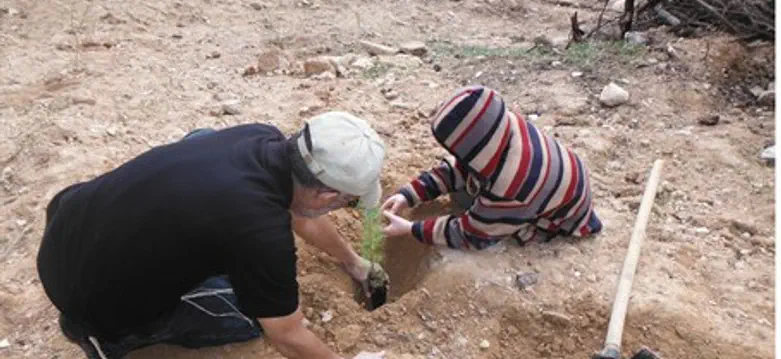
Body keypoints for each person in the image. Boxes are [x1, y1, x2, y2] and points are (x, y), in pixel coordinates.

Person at [36, 111, 387, 359]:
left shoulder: (259, 136)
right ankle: (108, 340)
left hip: (68, 224)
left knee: (202, 140)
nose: (345, 206)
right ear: (326, 195)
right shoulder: (261, 233)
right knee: (252, 319)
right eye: (348, 201)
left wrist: (353, 262)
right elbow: (287, 335)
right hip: (90, 303)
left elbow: (299, 211)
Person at [381, 85, 603, 250]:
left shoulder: (511, 186)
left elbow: (470, 235)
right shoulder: (500, 127)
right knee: (466, 191)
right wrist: (409, 195)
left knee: (476, 212)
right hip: (557, 179)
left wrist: (411, 229)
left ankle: (534, 230)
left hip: (564, 216)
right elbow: (460, 167)